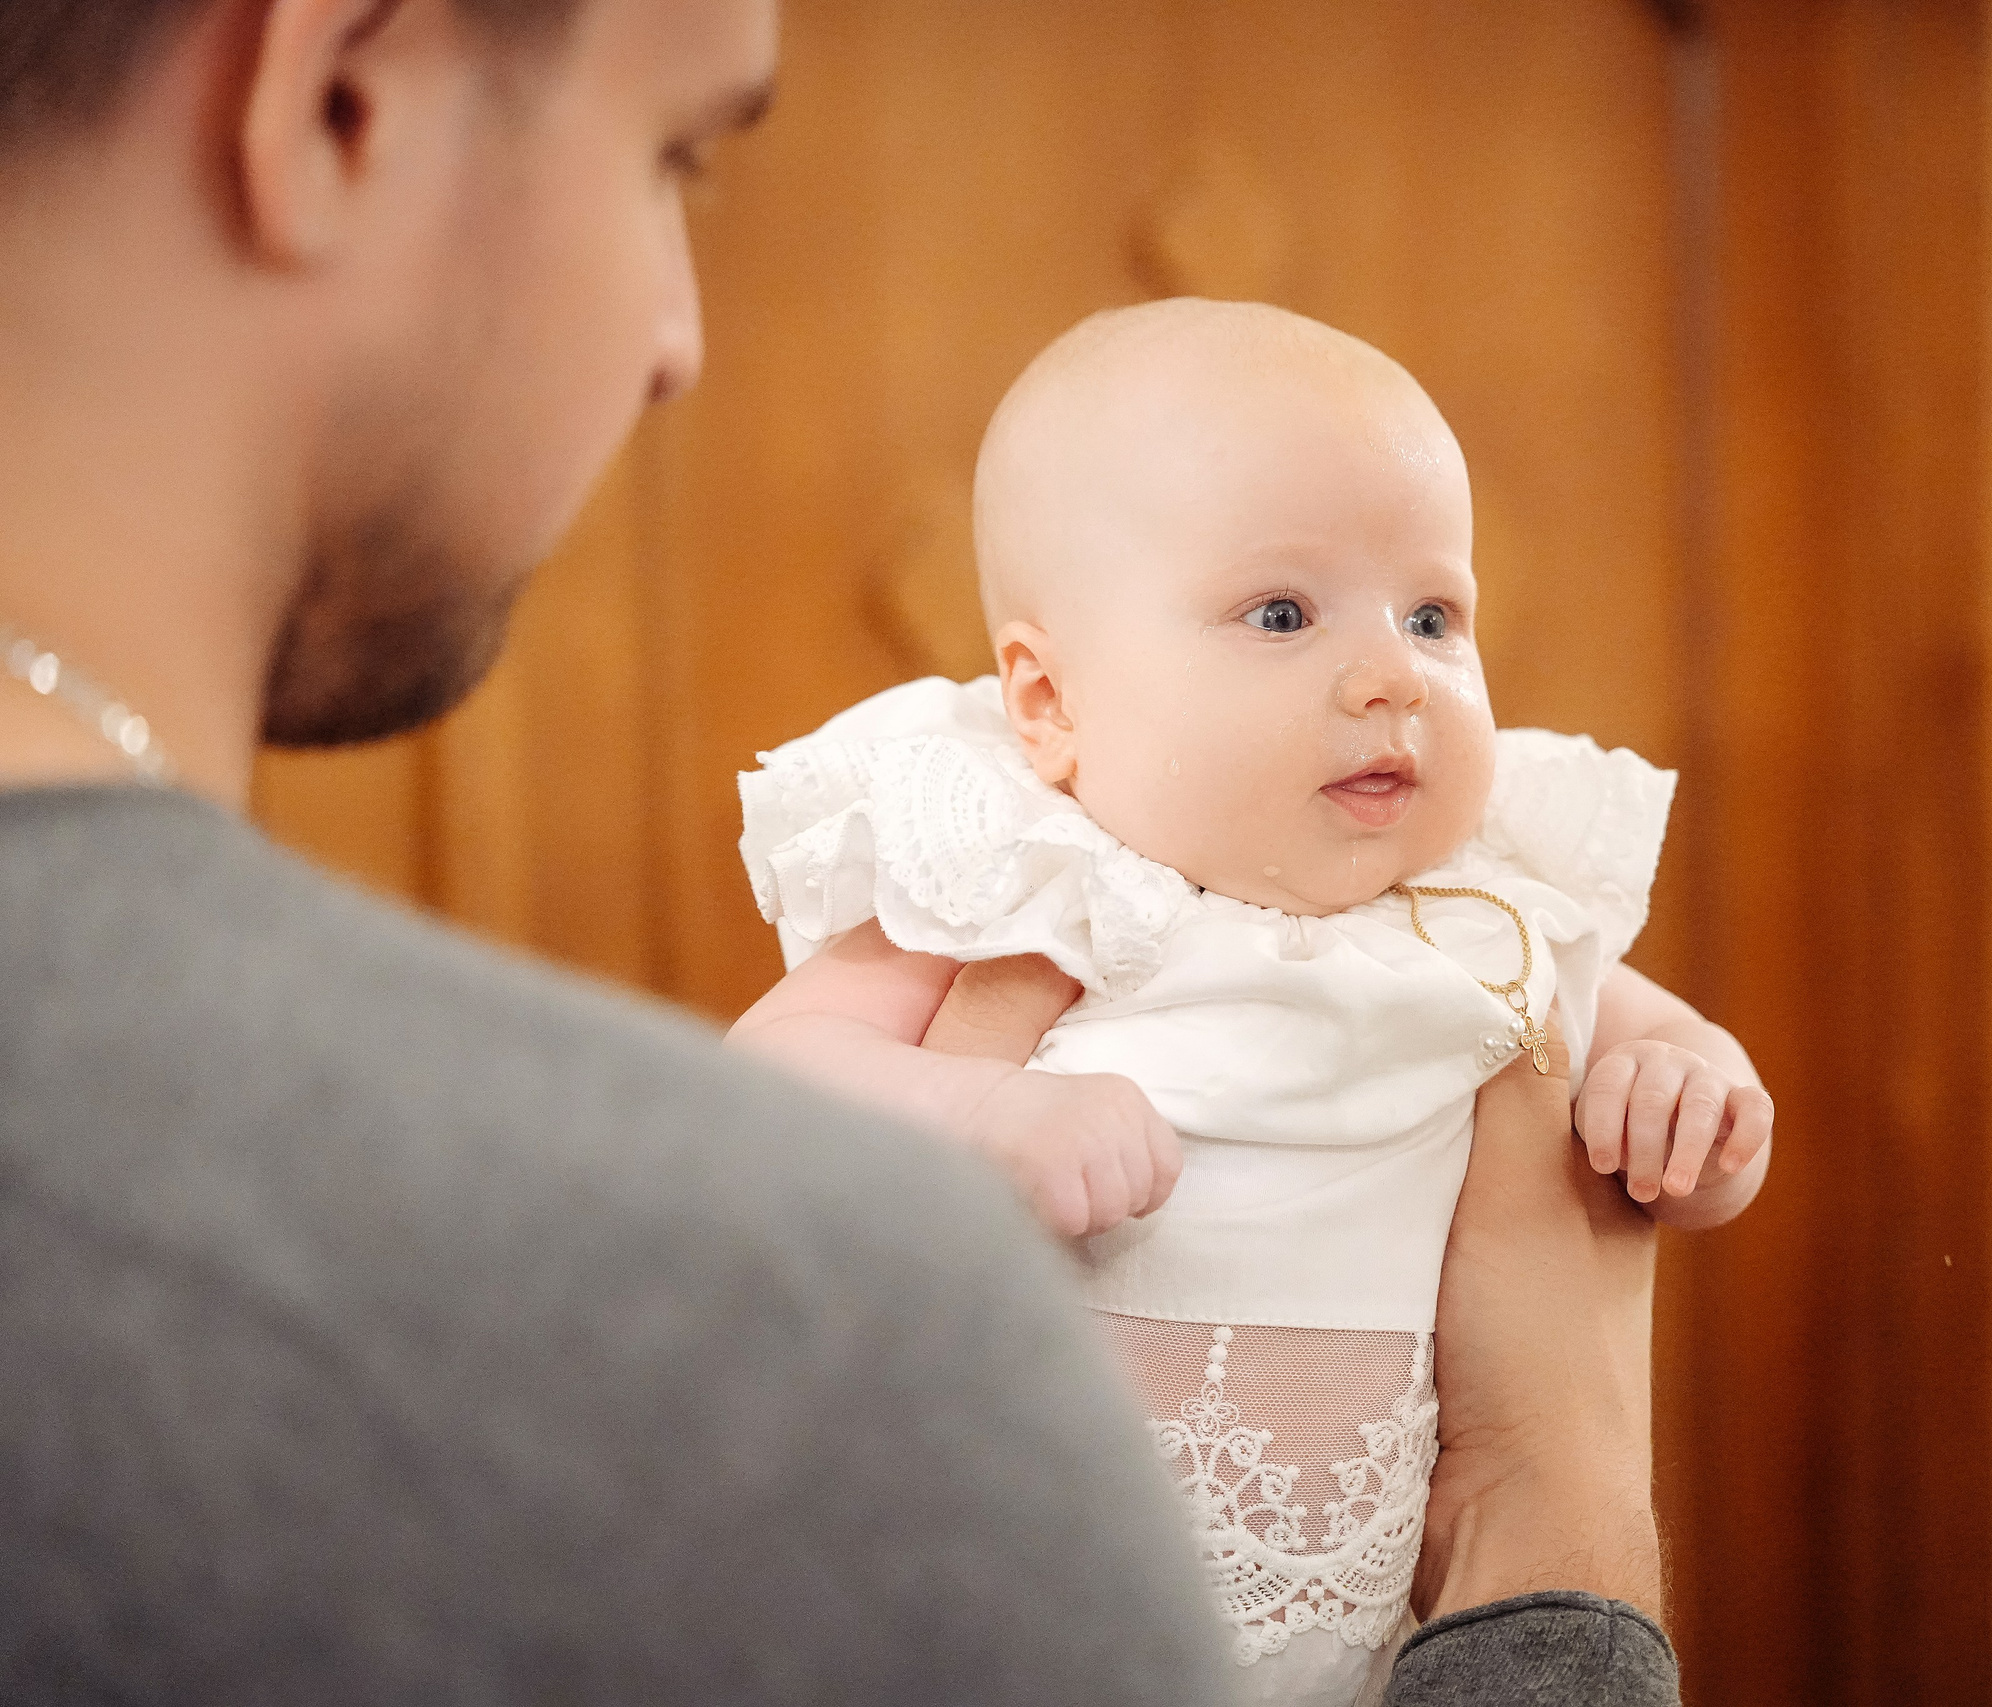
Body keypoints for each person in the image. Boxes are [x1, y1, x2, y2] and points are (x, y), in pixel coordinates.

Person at [0, 2, 1679, 1702]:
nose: (676, 338)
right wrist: (1566, 1522)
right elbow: (808, 1070)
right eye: (674, 163)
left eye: (1435, 616)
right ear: (337, 97)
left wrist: (1662, 1064)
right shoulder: (713, 1277)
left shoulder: (1484, 912)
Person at [724, 300, 1771, 1702]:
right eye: (1282, 613)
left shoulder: (1484, 911)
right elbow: (761, 1083)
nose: (1391, 674)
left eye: (1434, 615)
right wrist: (976, 1108)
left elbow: (1675, 1130)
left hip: (1383, 1640)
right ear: (1047, 701)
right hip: (1014, 1598)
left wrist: (1689, 1092)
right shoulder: (1027, 876)